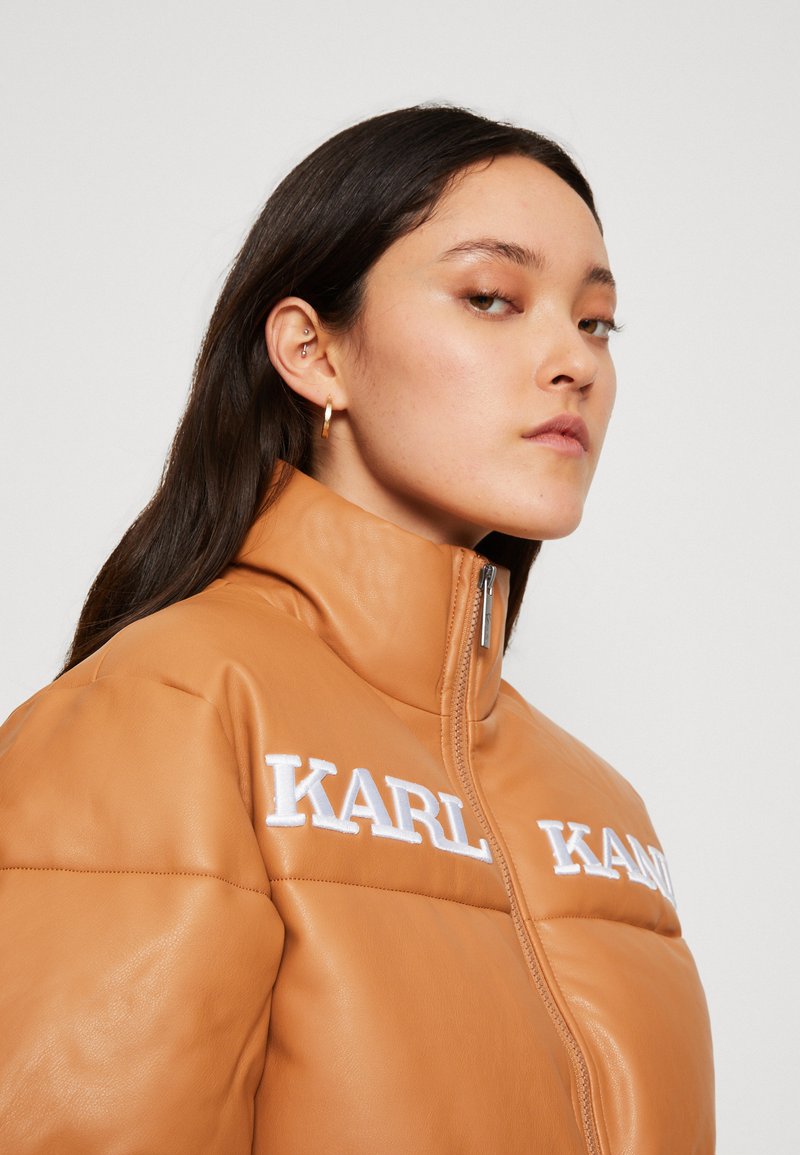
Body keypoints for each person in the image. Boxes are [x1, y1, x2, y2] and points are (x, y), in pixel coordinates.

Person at [0, 105, 714, 1153]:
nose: (573, 358)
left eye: (595, 321)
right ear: (313, 351)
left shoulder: (601, 807)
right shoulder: (169, 710)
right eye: (490, 297)